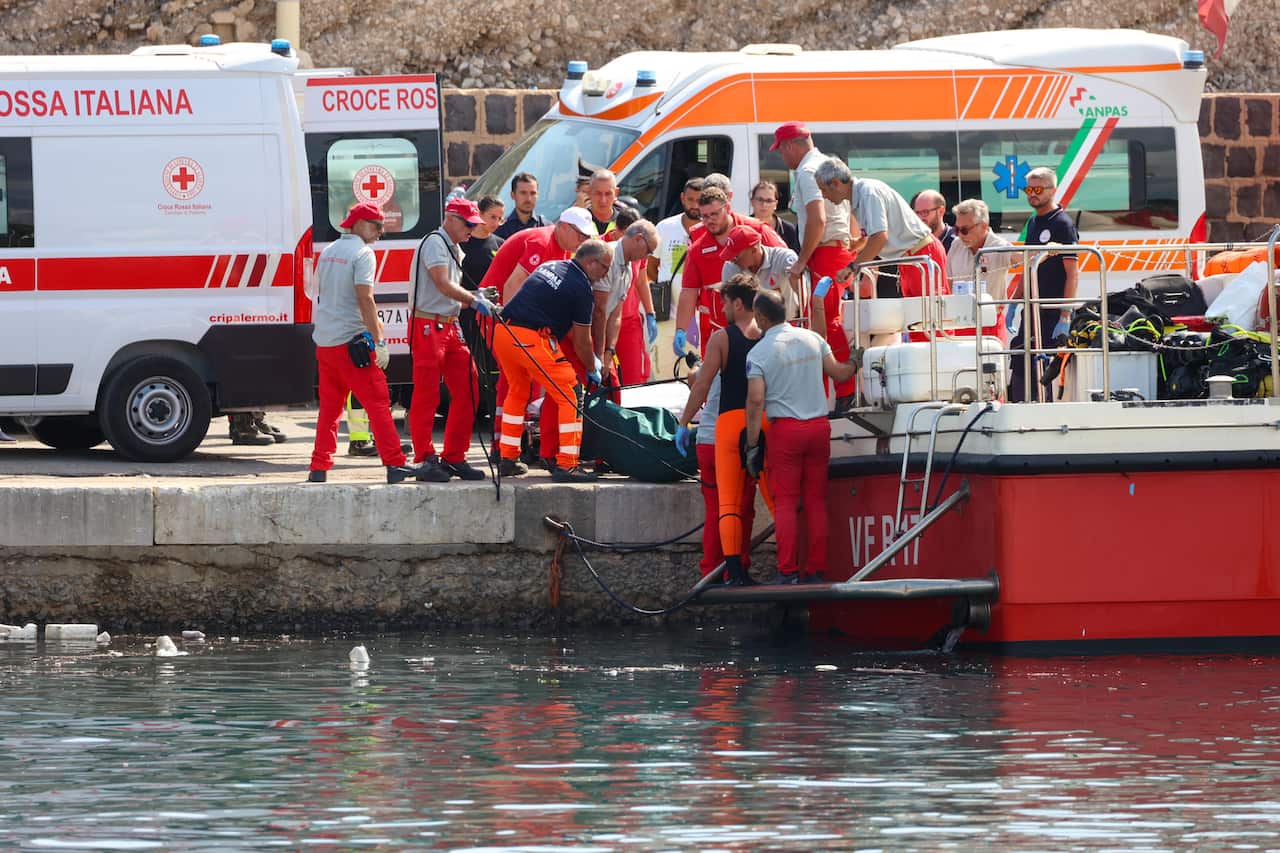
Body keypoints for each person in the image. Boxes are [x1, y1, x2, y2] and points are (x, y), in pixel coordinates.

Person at [744, 290, 859, 583]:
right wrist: (856, 361)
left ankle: (788, 572)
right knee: (816, 501)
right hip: (819, 427)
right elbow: (840, 374)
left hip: (786, 432)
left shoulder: (758, 353)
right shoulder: (813, 339)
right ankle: (817, 569)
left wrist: (753, 444)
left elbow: (756, 401)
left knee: (785, 503)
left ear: (760, 317)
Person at [308, 202, 418, 484]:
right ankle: (395, 464)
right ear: (356, 224)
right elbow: (365, 298)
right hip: (351, 343)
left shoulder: (329, 251)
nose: (381, 231)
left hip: (325, 343)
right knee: (379, 404)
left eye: (382, 225)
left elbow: (320, 293)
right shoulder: (363, 253)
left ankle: (319, 468)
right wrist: (380, 341)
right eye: (376, 224)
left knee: (330, 410)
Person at [492, 239, 613, 483]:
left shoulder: (551, 266)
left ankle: (508, 457)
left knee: (517, 392)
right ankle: (567, 465)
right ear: (590, 263)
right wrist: (592, 367)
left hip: (503, 332)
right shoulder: (581, 289)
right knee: (570, 392)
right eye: (604, 267)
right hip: (530, 338)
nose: (606, 273)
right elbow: (582, 342)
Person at [676, 274, 768, 586]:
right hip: (752, 437)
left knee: (720, 509)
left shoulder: (722, 339)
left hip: (716, 438)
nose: (722, 307)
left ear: (738, 303)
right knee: (745, 509)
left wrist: (682, 422)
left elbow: (700, 384)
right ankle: (739, 568)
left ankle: (711, 573)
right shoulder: (769, 337)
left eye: (725, 301)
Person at [408, 197, 497, 482]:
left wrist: (477, 298)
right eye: (469, 223)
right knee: (427, 394)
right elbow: (442, 283)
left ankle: (454, 456)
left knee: (469, 388)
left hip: (448, 323)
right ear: (453, 219)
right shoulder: (435, 242)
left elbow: (448, 288)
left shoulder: (452, 246)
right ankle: (424, 458)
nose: (473, 229)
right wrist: (474, 299)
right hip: (427, 324)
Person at [770, 122, 859, 401]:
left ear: (789, 146)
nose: (783, 158)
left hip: (826, 254)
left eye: (782, 152)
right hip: (837, 251)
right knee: (822, 322)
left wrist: (800, 263)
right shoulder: (830, 163)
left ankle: (844, 392)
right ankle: (831, 393)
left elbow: (818, 220)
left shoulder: (808, 172)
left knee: (825, 321)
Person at [673, 180, 786, 358]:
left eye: (715, 214)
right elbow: (689, 291)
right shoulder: (697, 249)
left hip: (764, 326)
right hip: (719, 327)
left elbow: (788, 264)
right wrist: (681, 329)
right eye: (704, 216)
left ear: (727, 208)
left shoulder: (756, 230)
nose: (709, 220)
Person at [816, 157, 949, 301]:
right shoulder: (860, 195)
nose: (823, 196)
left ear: (836, 183)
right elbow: (876, 234)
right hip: (913, 256)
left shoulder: (868, 193)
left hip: (922, 254)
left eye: (823, 190)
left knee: (933, 316)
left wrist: (851, 267)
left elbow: (880, 237)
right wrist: (859, 244)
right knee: (918, 318)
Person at [1011, 166, 1079, 403]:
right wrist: (1013, 304)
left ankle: (1048, 407)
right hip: (1032, 309)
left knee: (1046, 363)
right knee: (1020, 357)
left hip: (1052, 310)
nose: (1032, 194)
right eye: (1028, 189)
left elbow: (1072, 273)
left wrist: (1065, 315)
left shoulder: (1062, 224)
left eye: (1038, 189)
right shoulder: (1033, 222)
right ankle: (1022, 404)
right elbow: (1029, 266)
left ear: (1053, 190)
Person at [479, 206, 596, 303]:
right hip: (494, 312)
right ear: (564, 227)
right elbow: (512, 286)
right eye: (581, 235)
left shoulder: (564, 246)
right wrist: (511, 325)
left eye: (587, 237)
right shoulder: (542, 244)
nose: (583, 242)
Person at [459, 195, 506, 415]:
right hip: (467, 314)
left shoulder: (500, 244)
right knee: (469, 367)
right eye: (492, 217)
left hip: (493, 316)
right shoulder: (463, 245)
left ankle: (493, 409)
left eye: (500, 218)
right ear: (479, 214)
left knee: (494, 367)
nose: (496, 223)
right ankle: (472, 411)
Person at [648, 177, 704, 321]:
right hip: (666, 312)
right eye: (690, 199)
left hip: (700, 316)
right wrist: (666, 286)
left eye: (700, 200)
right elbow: (650, 265)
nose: (695, 205)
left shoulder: (713, 230)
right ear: (682, 198)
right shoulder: (664, 227)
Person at [718, 225, 802, 321]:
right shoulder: (730, 267)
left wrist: (795, 280)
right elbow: (730, 305)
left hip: (787, 323)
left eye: (736, 256)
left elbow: (803, 291)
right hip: (751, 329)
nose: (732, 260)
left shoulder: (783, 258)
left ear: (754, 249)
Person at [946, 198, 1014, 295]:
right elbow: (947, 284)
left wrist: (1043, 250)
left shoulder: (999, 246)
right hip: (959, 309)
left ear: (983, 226)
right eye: (956, 229)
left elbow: (1026, 258)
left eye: (965, 230)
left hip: (990, 309)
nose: (960, 235)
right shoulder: (956, 244)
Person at [748, 180, 800, 253]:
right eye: (760, 199)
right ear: (752, 202)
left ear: (775, 204)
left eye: (769, 200)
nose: (764, 204)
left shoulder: (788, 230)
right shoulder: (743, 227)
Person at [494, 172, 550, 239]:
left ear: (537, 195)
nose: (528, 199)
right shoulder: (500, 229)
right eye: (523, 193)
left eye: (533, 193)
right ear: (513, 195)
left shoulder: (547, 228)